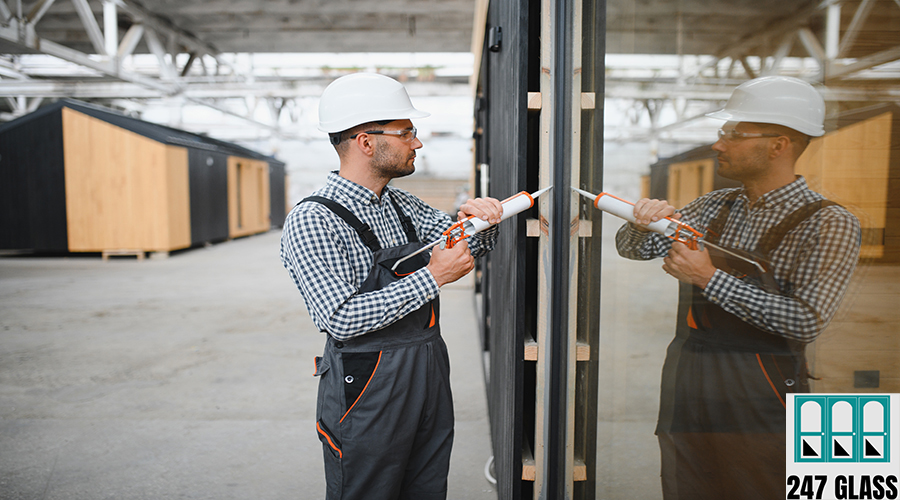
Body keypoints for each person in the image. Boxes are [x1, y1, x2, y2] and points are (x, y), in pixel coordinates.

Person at [615, 76, 861, 500]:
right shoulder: (713, 205)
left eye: (733, 134)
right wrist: (641, 222)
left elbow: (804, 321)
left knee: (761, 485)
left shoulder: (829, 222)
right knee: (688, 480)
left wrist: (708, 277)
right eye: (721, 133)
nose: (718, 144)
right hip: (689, 374)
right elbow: (633, 250)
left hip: (763, 386)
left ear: (778, 144)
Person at [280, 72, 503, 500]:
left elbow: (464, 241)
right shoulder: (314, 219)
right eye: (406, 133)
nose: (417, 143)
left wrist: (481, 218)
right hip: (366, 386)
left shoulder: (401, 204)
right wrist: (433, 276)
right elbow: (339, 318)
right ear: (366, 142)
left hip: (426, 368)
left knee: (426, 485)